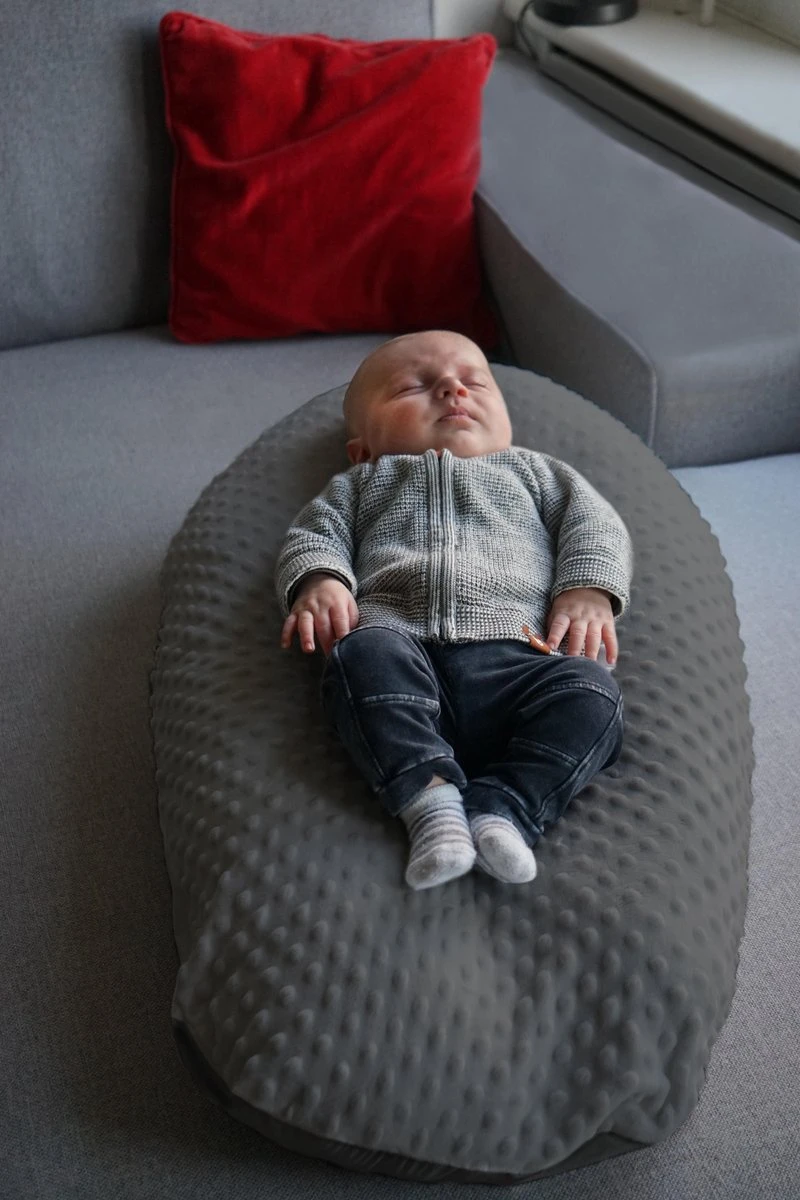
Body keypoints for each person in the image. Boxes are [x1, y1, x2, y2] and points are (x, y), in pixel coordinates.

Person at [275, 330, 633, 890]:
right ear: (362, 448)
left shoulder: (536, 473)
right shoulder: (362, 483)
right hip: (402, 650)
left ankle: (505, 808)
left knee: (596, 696)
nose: (452, 389)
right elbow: (313, 535)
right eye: (412, 387)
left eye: (474, 382)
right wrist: (321, 581)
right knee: (356, 657)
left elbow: (596, 528)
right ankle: (432, 805)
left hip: (520, 659)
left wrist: (587, 590)